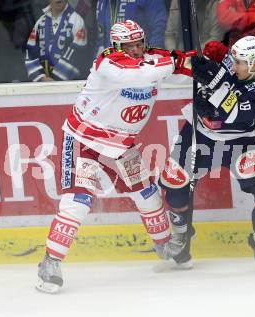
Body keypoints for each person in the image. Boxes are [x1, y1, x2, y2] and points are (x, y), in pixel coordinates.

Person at [36, 19, 194, 293]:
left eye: (138, 43)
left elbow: (182, 72)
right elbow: (137, 75)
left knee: (146, 192)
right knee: (79, 201)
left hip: (122, 145)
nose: (135, 49)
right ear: (116, 45)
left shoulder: (153, 58)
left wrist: (202, 64)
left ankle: (164, 244)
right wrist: (173, 61)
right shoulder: (107, 63)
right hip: (85, 139)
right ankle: (50, 262)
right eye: (128, 45)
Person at [159, 36, 255, 268]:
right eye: (232, 60)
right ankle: (182, 234)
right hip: (199, 133)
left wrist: (214, 83)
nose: (232, 66)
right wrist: (194, 62)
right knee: (175, 183)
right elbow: (190, 66)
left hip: (238, 141)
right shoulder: (232, 59)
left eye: (239, 63)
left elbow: (230, 113)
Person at [25, 0, 88, 81]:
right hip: (43, 85)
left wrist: (54, 81)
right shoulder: (40, 23)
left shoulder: (76, 21)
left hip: (70, 85)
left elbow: (78, 54)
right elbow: (31, 53)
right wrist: (41, 78)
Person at [94, 0, 168, 55]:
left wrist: (151, 56)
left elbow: (159, 29)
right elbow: (101, 31)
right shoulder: (102, 2)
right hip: (111, 62)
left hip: (139, 62)